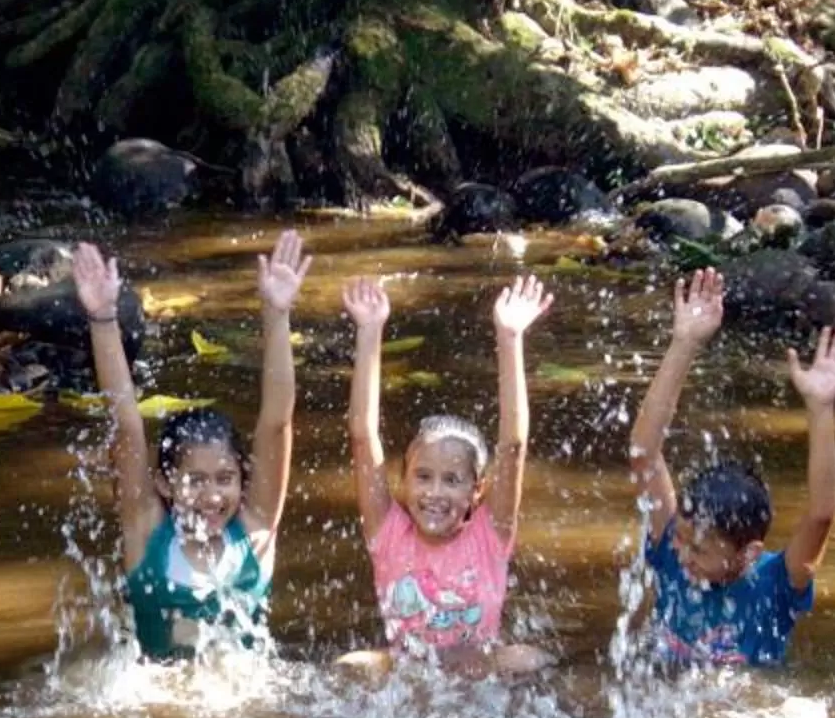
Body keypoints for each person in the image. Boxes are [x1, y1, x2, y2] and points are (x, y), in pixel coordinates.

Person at [71, 230, 310, 661]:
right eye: (195, 480)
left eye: (224, 478)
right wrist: (103, 320)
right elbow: (126, 426)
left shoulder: (255, 531)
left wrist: (277, 314)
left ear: (243, 478)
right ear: (164, 483)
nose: (212, 496)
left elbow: (277, 422)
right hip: (156, 697)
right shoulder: (146, 532)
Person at [627, 267, 835, 666]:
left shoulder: (776, 583)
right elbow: (643, 454)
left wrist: (820, 409)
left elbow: (821, 515)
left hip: (746, 700)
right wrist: (684, 343)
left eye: (699, 549)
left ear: (749, 554)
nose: (683, 555)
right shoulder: (674, 549)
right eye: (682, 540)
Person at [341, 268, 554, 678]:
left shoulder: (490, 533)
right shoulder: (388, 532)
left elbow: (512, 446)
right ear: (404, 482)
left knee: (532, 660)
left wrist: (510, 338)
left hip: (478, 674)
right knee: (350, 666)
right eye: (423, 476)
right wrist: (369, 332)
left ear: (478, 490)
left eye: (452, 480)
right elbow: (363, 437)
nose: (434, 493)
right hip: (410, 672)